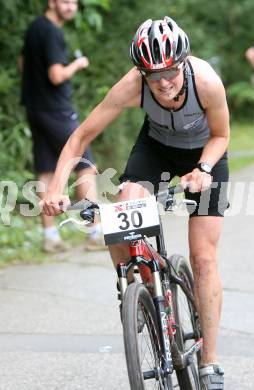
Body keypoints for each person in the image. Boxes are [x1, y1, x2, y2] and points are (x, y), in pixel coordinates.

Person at [41, 16, 229, 389]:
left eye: (170, 72)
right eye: (153, 76)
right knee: (120, 217)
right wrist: (56, 187)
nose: (163, 83)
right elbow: (79, 139)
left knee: (204, 258)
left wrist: (204, 168)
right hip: (156, 149)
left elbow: (222, 134)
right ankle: (138, 288)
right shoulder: (132, 86)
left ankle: (209, 361)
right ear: (141, 72)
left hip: (206, 155)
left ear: (183, 63)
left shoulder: (205, 81)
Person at [20, 0, 105, 252]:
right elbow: (56, 75)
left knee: (46, 169)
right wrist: (77, 65)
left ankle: (50, 236)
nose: (70, 7)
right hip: (56, 109)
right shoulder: (52, 31)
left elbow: (22, 63)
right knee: (85, 165)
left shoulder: (35, 27)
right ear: (51, 2)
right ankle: (94, 232)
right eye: (64, 2)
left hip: (35, 108)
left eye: (73, 2)